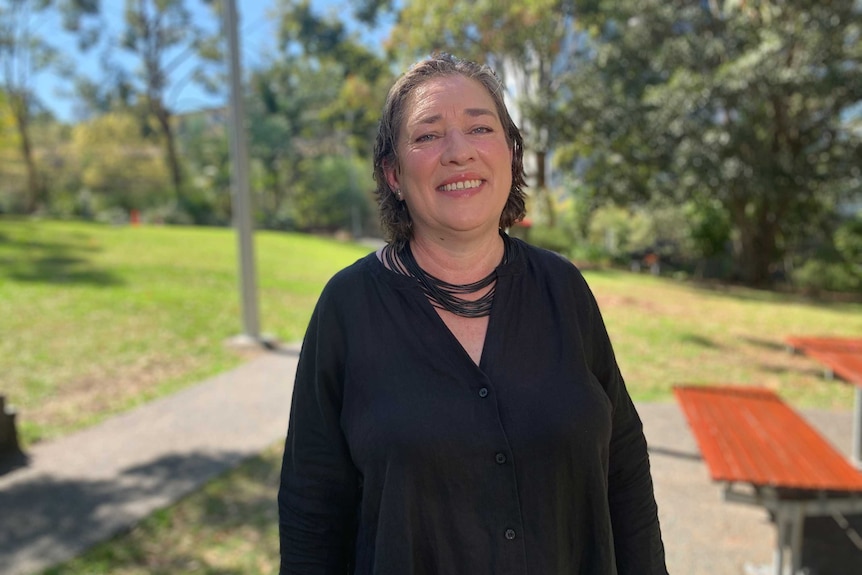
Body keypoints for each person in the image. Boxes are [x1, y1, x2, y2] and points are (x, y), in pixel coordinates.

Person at [278, 53, 667, 574]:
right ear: (393, 174)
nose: (458, 152)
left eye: (480, 128)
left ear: (509, 152)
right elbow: (311, 510)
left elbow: (624, 467)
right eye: (427, 135)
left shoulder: (563, 289)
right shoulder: (347, 308)